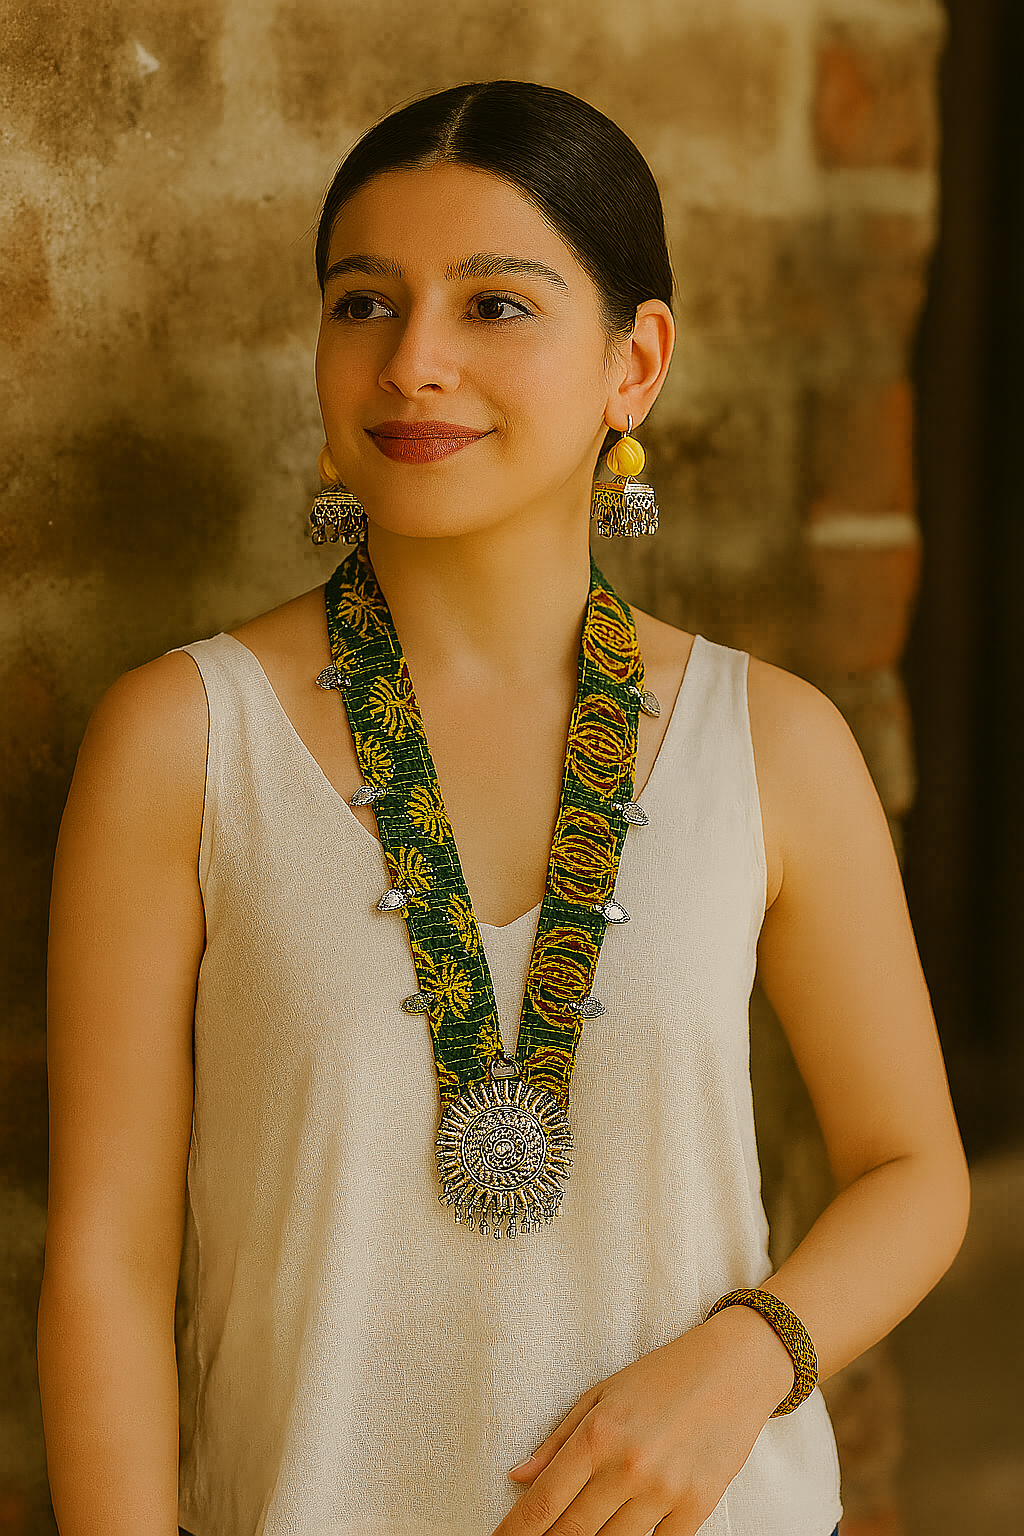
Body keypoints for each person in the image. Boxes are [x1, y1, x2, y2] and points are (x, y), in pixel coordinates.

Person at [37, 80, 970, 1536]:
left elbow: (915, 1175)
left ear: (633, 364)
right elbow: (104, 1265)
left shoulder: (772, 743)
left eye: (496, 306)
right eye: (364, 303)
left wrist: (745, 1361)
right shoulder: (184, 741)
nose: (414, 362)